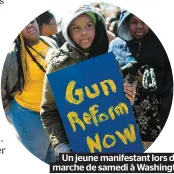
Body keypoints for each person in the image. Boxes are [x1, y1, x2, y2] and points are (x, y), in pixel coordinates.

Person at [40, 5, 136, 156]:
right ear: (68, 32)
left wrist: (127, 97)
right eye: (76, 28)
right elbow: (48, 111)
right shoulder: (58, 66)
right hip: (77, 147)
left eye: (89, 26)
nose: (84, 32)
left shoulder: (108, 60)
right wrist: (61, 146)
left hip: (113, 143)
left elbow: (116, 104)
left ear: (97, 27)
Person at [109, 10, 173, 149]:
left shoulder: (161, 44)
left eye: (143, 22)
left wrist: (150, 77)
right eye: (133, 22)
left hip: (156, 113)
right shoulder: (116, 45)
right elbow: (107, 76)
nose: (139, 26)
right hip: (124, 112)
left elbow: (169, 75)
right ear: (125, 24)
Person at [1, 19, 58, 163]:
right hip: (28, 113)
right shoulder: (11, 54)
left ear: (38, 23)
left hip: (51, 112)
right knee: (37, 156)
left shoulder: (49, 42)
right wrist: (9, 111)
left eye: (31, 21)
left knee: (51, 152)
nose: (29, 25)